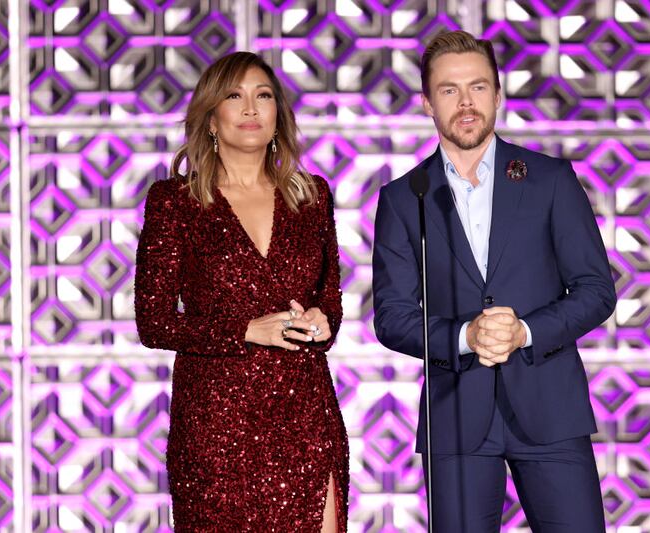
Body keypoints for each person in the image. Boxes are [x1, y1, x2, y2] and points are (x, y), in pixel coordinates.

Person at [372, 31, 616, 532]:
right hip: (456, 416)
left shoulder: (550, 179)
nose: (466, 103)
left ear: (499, 94)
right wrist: (466, 336)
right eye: (449, 90)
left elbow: (596, 290)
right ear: (426, 103)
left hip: (551, 407)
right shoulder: (404, 198)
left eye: (479, 87)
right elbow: (392, 317)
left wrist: (525, 331)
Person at [134, 51, 348, 532]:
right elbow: (154, 322)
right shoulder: (175, 203)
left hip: (304, 415)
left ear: (277, 117)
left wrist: (322, 320)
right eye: (235, 96)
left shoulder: (312, 196)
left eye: (263, 96)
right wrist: (246, 329)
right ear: (211, 119)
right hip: (216, 425)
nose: (251, 108)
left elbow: (329, 300)